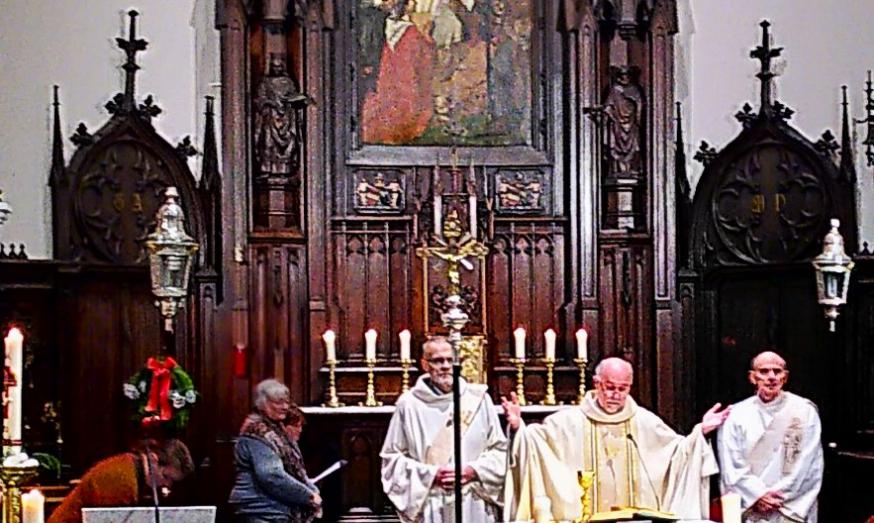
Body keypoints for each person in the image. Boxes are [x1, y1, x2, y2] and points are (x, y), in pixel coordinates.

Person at [502, 357, 731, 522]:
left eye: (623, 389)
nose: (615, 395)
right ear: (597, 383)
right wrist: (517, 426)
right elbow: (534, 444)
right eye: (610, 387)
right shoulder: (568, 422)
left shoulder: (644, 422)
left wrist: (700, 432)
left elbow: (678, 453)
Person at [380, 336, 507, 522]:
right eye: (438, 360)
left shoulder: (478, 399)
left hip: (473, 499)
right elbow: (392, 460)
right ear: (425, 364)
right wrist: (430, 475)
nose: (446, 366)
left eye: (450, 360)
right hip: (432, 500)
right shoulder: (409, 404)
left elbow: (500, 451)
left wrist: (473, 470)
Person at [717, 351, 823, 522]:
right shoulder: (735, 415)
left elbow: (808, 464)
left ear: (785, 377)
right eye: (764, 371)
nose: (771, 377)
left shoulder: (805, 411)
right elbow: (731, 465)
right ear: (752, 377)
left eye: (777, 371)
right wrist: (757, 496)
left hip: (791, 508)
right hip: (752, 508)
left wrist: (776, 499)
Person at [229, 379, 322, 523]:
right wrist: (307, 496)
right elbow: (271, 475)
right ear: (262, 404)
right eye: (278, 402)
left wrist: (311, 489)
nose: (285, 407)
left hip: (274, 509)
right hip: (261, 509)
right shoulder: (256, 433)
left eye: (286, 402)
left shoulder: (277, 430)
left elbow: (296, 468)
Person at [47, 438, 194, 523]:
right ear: (153, 460)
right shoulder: (123, 481)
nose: (167, 485)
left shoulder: (127, 465)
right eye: (166, 476)